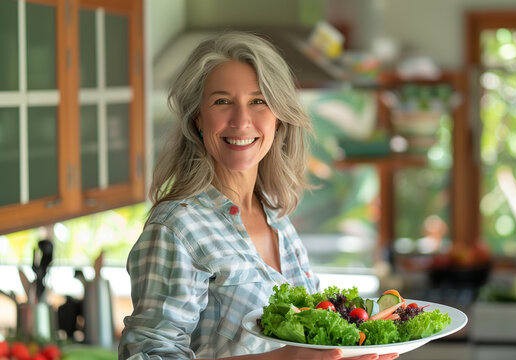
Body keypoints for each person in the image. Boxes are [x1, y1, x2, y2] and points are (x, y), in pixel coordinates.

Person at [118, 31, 398, 360]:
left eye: (258, 101)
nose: (241, 120)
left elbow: (308, 341)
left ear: (278, 119)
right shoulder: (177, 229)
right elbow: (148, 355)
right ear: (198, 119)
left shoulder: (276, 216)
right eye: (222, 102)